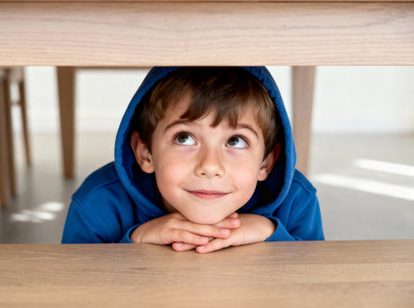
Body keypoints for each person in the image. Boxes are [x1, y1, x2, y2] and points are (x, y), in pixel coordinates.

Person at [62, 67, 324, 253]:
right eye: (184, 138)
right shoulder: (97, 205)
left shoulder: (297, 202)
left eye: (235, 141)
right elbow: (72, 289)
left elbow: (318, 284)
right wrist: (136, 241)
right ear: (145, 153)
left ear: (266, 163)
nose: (210, 166)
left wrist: (270, 232)